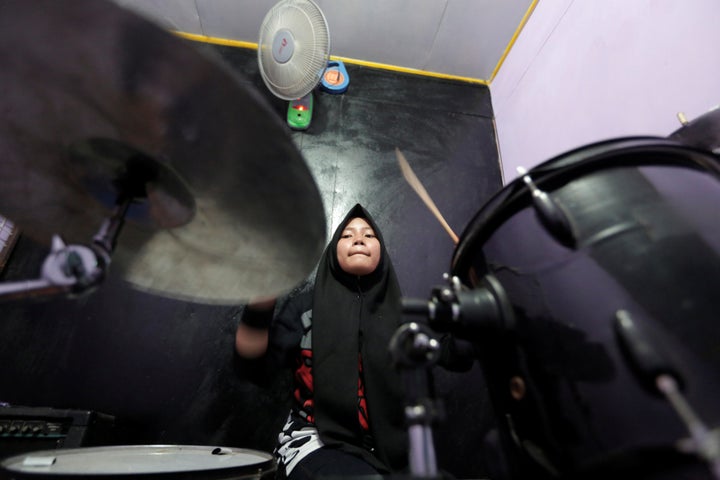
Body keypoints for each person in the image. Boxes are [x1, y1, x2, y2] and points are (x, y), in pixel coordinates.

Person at [235, 203, 472, 479]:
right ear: (333, 251)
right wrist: (261, 298)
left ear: (382, 251)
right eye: (347, 235)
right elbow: (252, 368)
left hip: (387, 450)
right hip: (313, 442)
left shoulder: (406, 316)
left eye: (369, 235)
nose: (358, 238)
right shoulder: (305, 309)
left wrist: (472, 293)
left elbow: (458, 355)